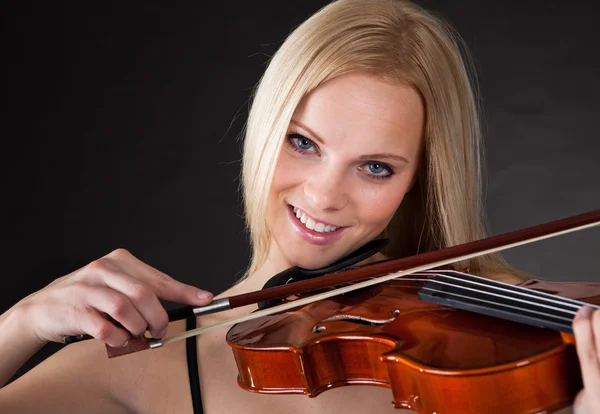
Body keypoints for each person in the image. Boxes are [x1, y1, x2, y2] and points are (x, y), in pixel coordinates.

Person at [0, 0, 597, 412]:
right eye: (303, 142)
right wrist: (19, 324)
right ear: (264, 130)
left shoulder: (510, 364)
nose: (323, 195)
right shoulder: (135, 369)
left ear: (419, 181)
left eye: (375, 167)